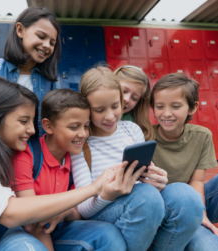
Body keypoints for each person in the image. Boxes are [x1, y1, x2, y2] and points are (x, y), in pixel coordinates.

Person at [0, 77, 116, 251]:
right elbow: (10, 212)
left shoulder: (5, 155)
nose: (31, 130)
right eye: (23, 121)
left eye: (32, 121)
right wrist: (93, 189)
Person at [71, 66, 205, 251]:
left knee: (186, 196)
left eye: (115, 106)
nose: (110, 116)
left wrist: (157, 181)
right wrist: (108, 195)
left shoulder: (132, 130)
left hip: (143, 204)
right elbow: (83, 208)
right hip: (105, 211)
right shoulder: (81, 143)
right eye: (99, 110)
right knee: (146, 197)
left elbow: (146, 184)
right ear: (86, 108)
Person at [3, 89, 128, 251]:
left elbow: (78, 213)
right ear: (48, 126)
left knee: (108, 235)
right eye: (74, 127)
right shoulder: (28, 154)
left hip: (56, 228)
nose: (83, 134)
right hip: (23, 231)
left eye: (86, 126)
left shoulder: (75, 159)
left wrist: (65, 211)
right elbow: (30, 219)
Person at [150, 73, 218, 251]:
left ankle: (198, 223)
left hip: (195, 205)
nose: (166, 113)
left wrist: (202, 215)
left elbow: (197, 181)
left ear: (192, 107)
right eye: (159, 106)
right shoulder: (144, 137)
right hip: (161, 211)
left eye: (175, 106)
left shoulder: (202, 135)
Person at [114, 65, 155, 141]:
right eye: (123, 91)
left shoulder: (138, 128)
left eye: (134, 98)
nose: (126, 99)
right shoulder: (91, 118)